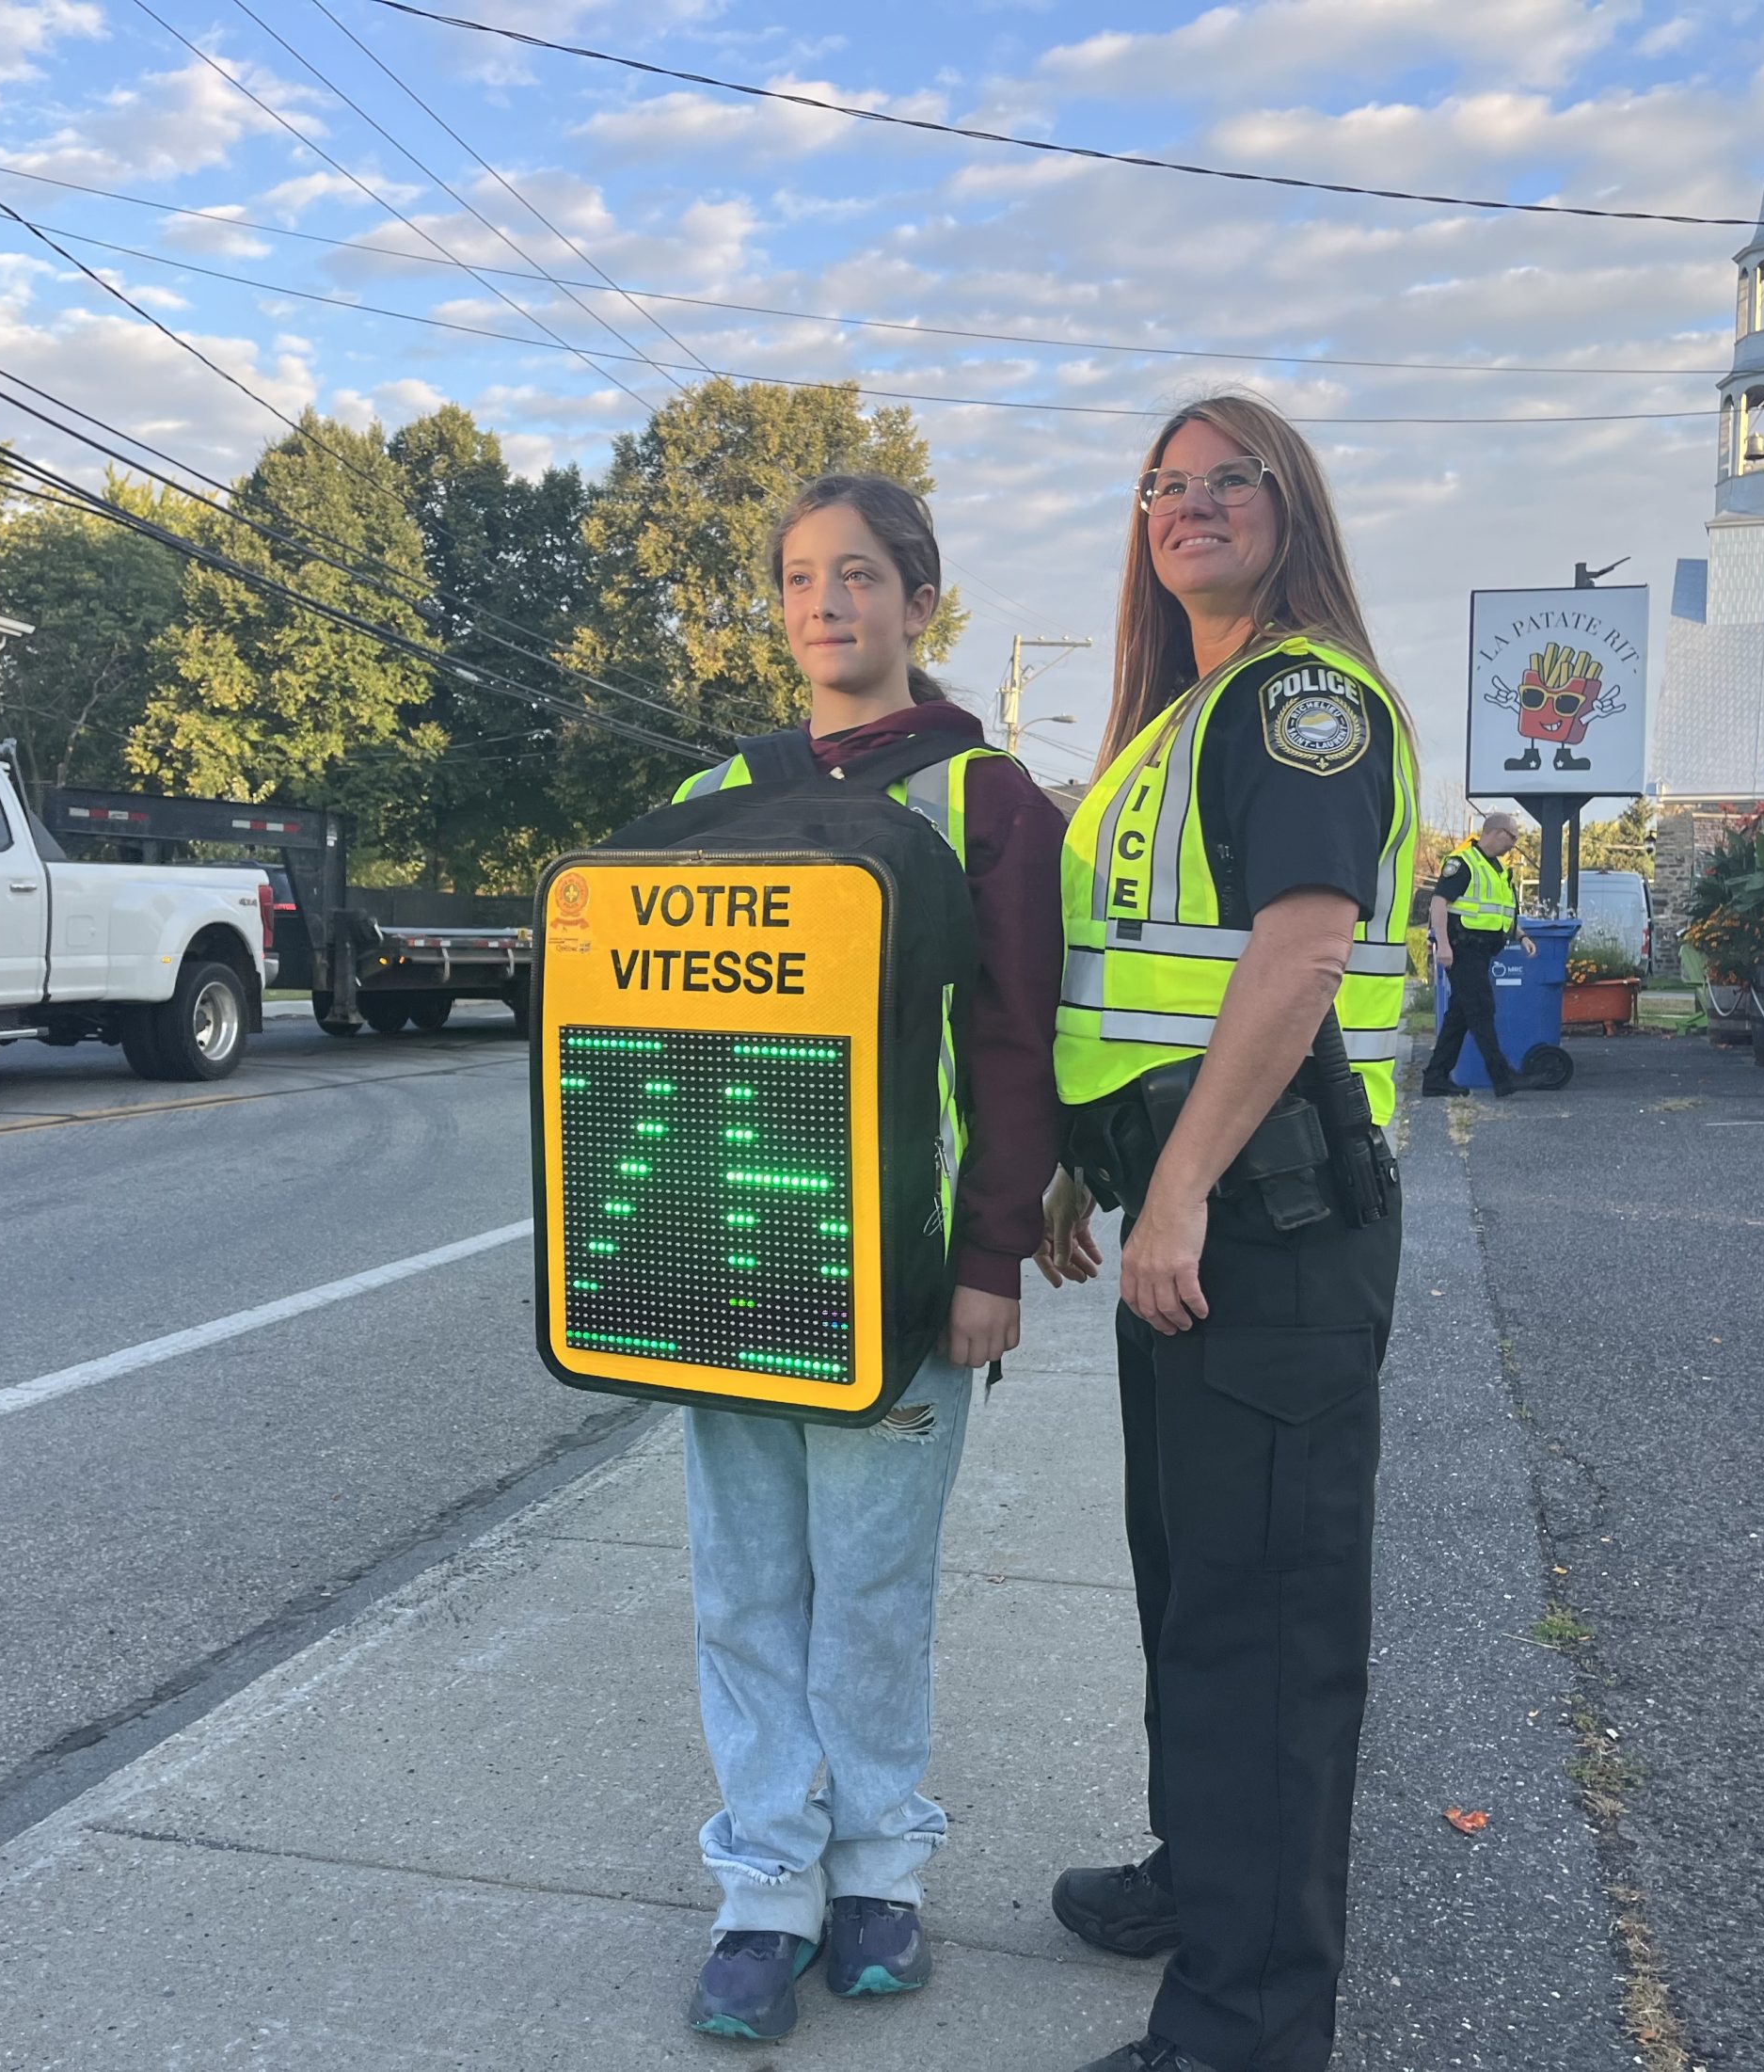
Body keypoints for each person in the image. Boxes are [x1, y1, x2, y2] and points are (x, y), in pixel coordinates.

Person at [1035, 394, 1418, 2072]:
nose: (1189, 506)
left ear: (1292, 505)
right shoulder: (1179, 718)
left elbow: (1304, 949)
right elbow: (1131, 981)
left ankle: (1249, 2030)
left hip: (1270, 1228)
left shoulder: (1300, 698)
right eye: (1162, 487)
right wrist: (1087, 1167)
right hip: (1186, 1217)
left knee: (1265, 1631)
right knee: (1193, 1585)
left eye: (1227, 480)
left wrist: (1177, 1187)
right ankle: (1207, 1879)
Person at [674, 474, 1066, 2042]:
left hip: (903, 1276)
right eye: (797, 578)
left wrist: (993, 1262)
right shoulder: (714, 795)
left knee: (873, 1591)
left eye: (858, 576)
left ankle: (878, 1868)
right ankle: (764, 1882)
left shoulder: (988, 800)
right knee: (743, 1586)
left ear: (917, 597)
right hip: (724, 1261)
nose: (826, 604)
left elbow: (1017, 1044)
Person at [1420, 811, 1536, 1097]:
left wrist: (1521, 936)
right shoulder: (1463, 863)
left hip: (1482, 952)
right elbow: (1438, 904)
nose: (1514, 843)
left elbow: (1501, 910)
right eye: (1513, 837)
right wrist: (1444, 945)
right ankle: (1502, 1078)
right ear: (1496, 832)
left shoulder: (1498, 869)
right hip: (1463, 949)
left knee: (1460, 1015)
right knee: (1481, 1009)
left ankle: (1435, 1077)